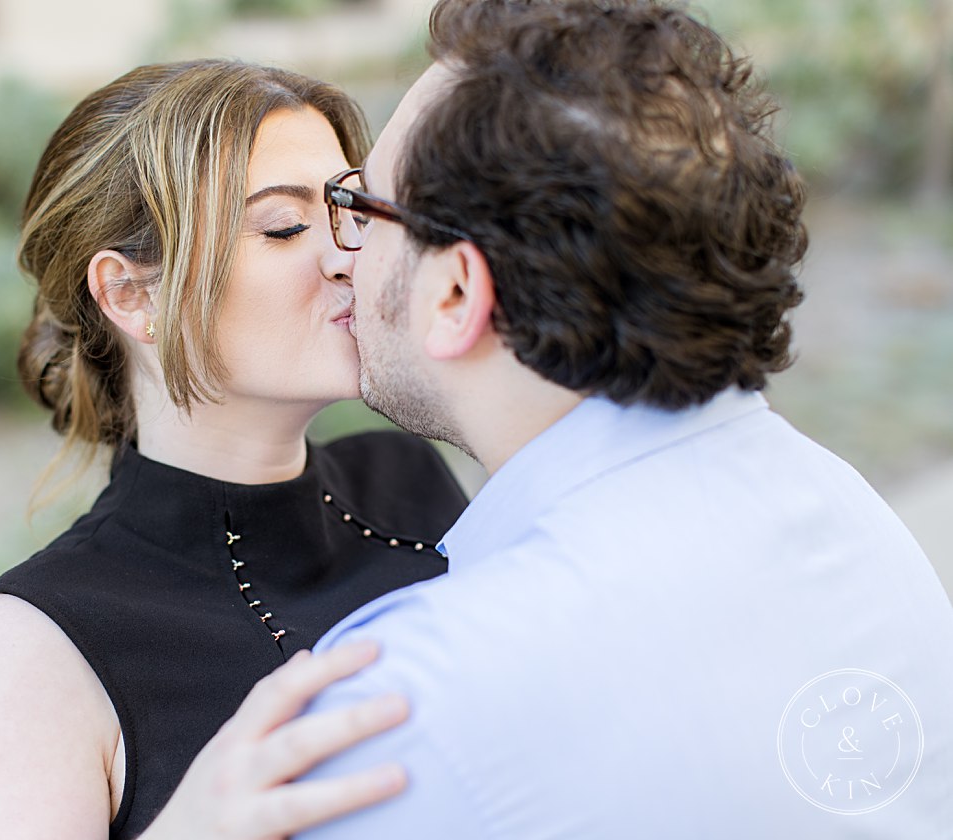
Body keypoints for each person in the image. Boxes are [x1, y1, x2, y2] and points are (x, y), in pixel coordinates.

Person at [299, 1, 953, 837]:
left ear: (457, 294)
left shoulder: (410, 703)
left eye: (365, 211)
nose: (340, 254)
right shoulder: (858, 523)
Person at [0, 59, 469, 839]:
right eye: (283, 226)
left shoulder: (414, 479)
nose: (350, 257)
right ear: (132, 294)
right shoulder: (31, 651)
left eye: (348, 210)